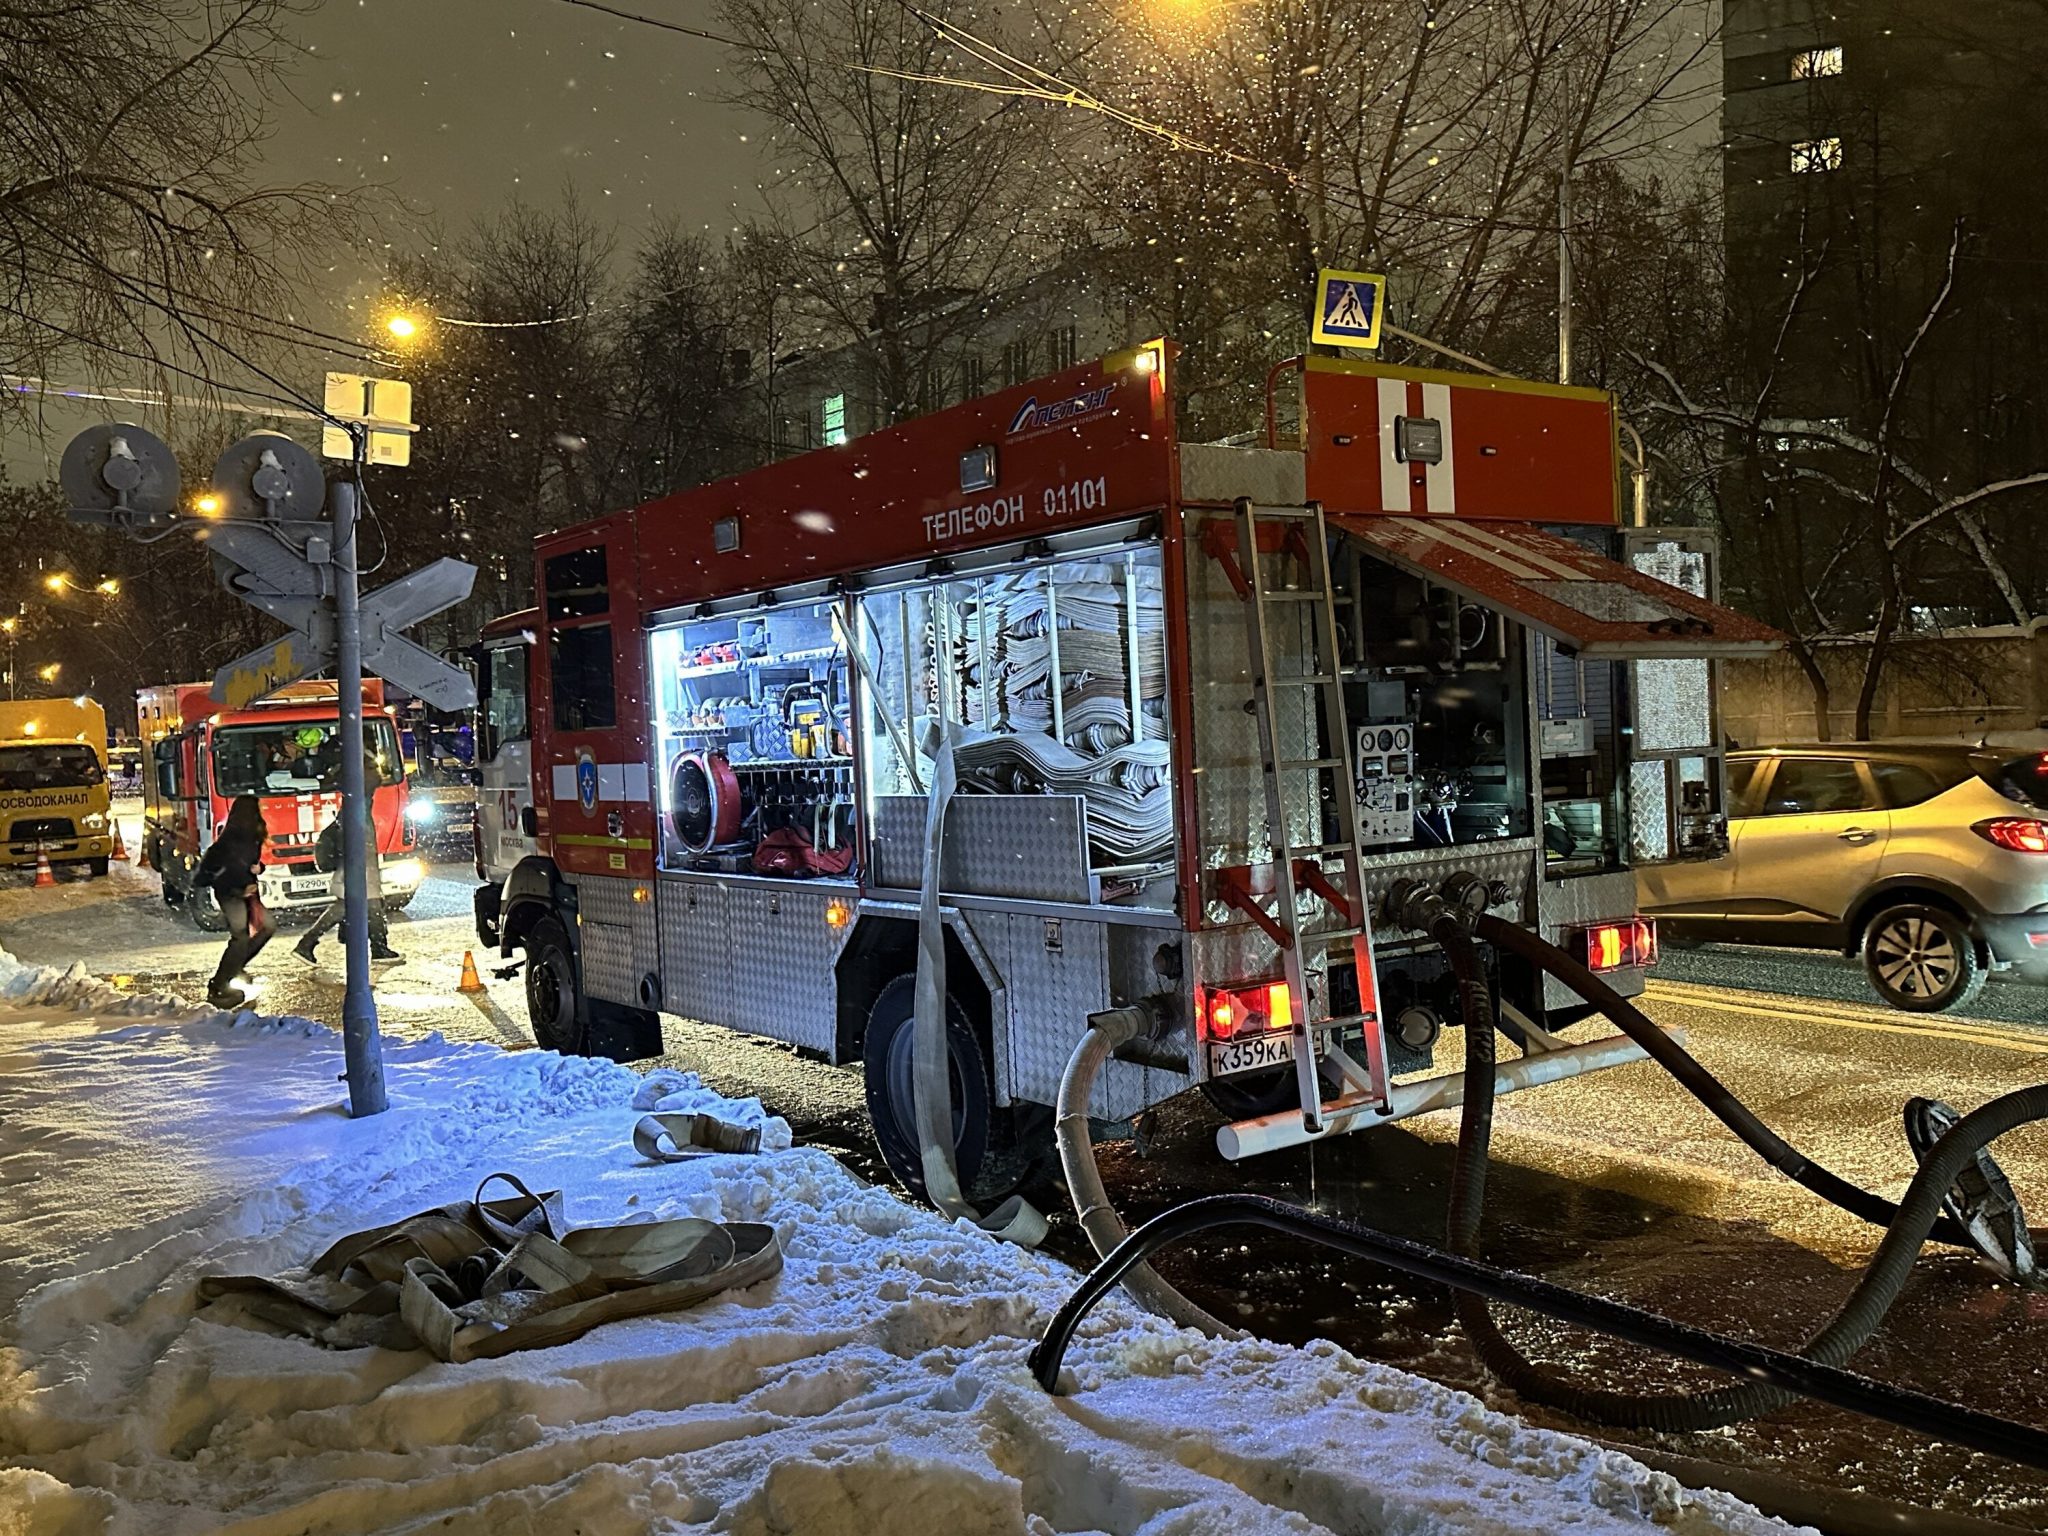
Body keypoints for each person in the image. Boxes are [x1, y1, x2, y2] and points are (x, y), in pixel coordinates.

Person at [295, 759, 400, 965]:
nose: (376, 776)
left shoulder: (356, 803)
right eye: (371, 771)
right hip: (357, 869)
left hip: (360, 867)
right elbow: (352, 840)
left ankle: (378, 947)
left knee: (369, 905)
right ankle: (307, 943)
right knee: (352, 906)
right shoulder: (355, 806)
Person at [197, 794, 274, 1008]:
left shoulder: (252, 836)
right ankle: (219, 985)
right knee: (240, 936)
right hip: (230, 892)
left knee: (267, 927)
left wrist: (258, 869)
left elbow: (249, 864)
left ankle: (235, 966)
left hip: (244, 892)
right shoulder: (232, 840)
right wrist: (241, 887)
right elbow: (219, 871)